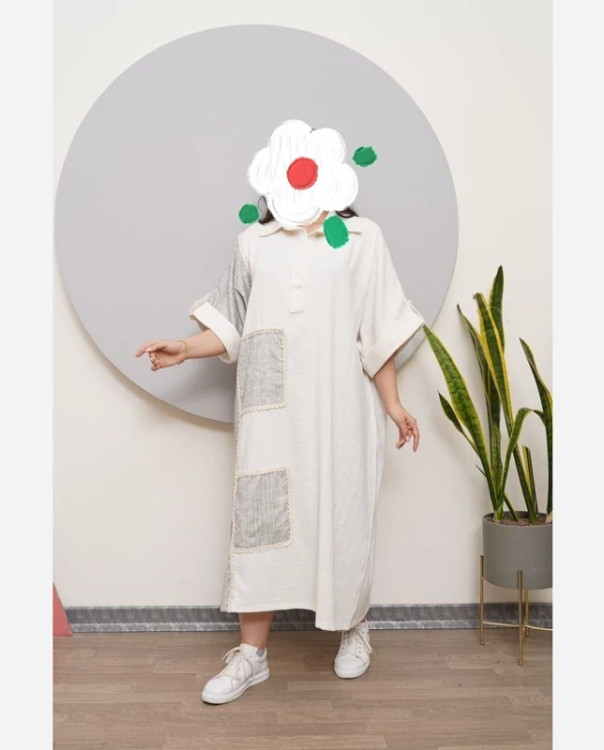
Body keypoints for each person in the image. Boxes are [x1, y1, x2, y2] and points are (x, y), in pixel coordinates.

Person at [136, 121, 425, 705]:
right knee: (262, 523)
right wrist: (185, 347)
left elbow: (377, 328)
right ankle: (252, 656)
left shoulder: (360, 238)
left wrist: (393, 404)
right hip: (271, 410)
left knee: (343, 512)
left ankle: (354, 627)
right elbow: (232, 321)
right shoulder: (255, 242)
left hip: (341, 406)